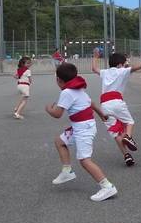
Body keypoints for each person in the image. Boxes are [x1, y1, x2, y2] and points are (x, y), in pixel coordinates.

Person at [46, 62, 117, 202]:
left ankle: (107, 186)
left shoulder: (66, 92)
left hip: (83, 129)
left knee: (85, 160)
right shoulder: (78, 89)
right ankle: (67, 171)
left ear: (58, 80)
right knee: (60, 141)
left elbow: (57, 114)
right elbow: (91, 103)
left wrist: (48, 108)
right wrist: (102, 115)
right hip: (83, 126)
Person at [91, 50, 141, 166]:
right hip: (116, 102)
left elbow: (94, 69)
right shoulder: (122, 71)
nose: (126, 65)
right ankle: (128, 137)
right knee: (129, 122)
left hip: (104, 104)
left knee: (116, 133)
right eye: (124, 63)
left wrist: (95, 57)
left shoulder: (105, 72)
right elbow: (135, 68)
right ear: (120, 64)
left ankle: (126, 155)